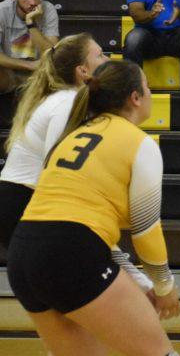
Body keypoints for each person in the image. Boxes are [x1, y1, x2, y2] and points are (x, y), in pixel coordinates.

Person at [7, 60, 180, 355]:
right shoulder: (139, 143)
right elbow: (146, 230)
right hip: (70, 252)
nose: (151, 93)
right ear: (135, 97)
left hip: (23, 254)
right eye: (148, 87)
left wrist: (136, 280)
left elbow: (86, 233)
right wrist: (165, 287)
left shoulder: (70, 138)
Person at [0, 34, 107, 247]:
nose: (108, 59)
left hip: (29, 201)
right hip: (22, 203)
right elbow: (57, 170)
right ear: (82, 71)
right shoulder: (66, 103)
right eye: (100, 55)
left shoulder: (70, 99)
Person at [0, 0, 61, 95]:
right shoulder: (2, 11)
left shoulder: (48, 10)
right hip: (9, 74)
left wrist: (31, 24)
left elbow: (51, 53)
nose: (33, 2)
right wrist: (30, 65)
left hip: (40, 75)